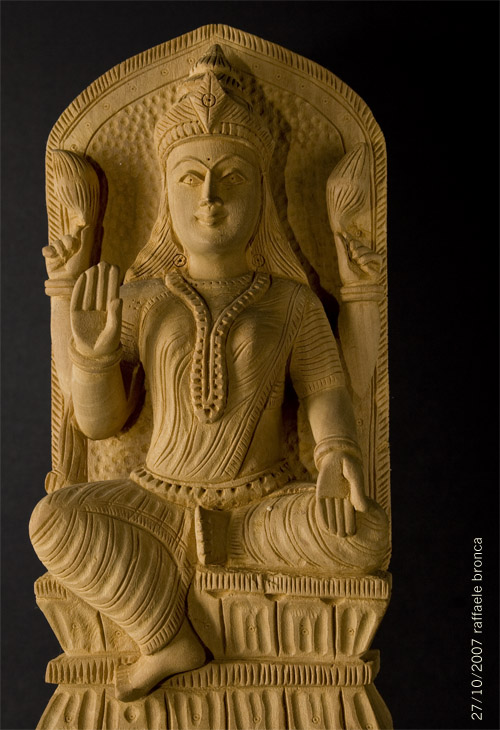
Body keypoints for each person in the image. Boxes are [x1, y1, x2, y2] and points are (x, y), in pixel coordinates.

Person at [30, 46, 389, 702]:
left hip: (256, 508)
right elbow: (101, 424)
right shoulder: (141, 300)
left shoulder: (291, 303)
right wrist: (93, 358)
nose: (211, 198)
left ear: (261, 194)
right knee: (53, 520)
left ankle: (178, 579)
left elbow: (326, 393)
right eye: (190, 179)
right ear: (166, 196)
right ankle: (166, 635)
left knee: (367, 535)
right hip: (155, 502)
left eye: (231, 177)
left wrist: (336, 453)